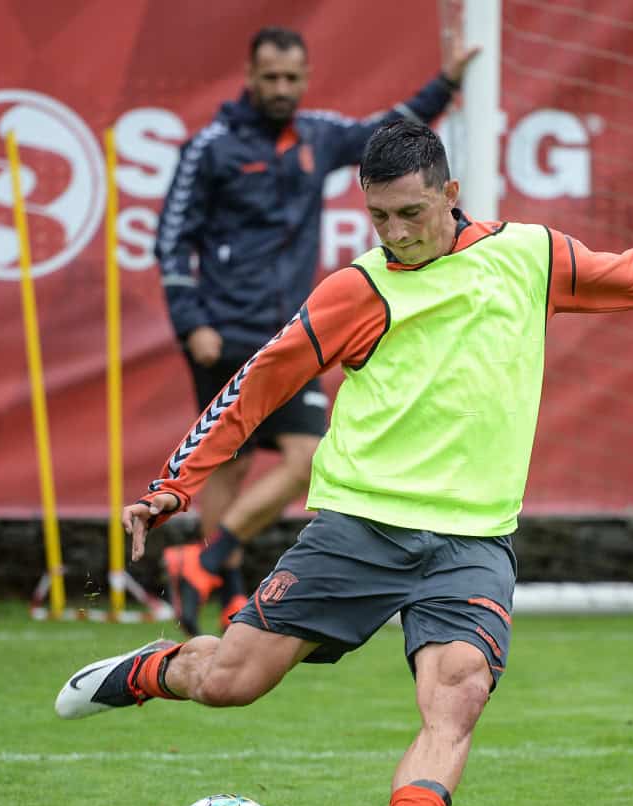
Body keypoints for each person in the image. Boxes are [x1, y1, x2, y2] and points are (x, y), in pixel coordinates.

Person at [58, 121, 633, 806]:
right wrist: (172, 487)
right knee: (230, 682)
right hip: (358, 527)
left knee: (456, 694)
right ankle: (148, 670)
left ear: (451, 194)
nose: (396, 234)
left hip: (472, 541)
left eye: (412, 214)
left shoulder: (531, 257)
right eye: (380, 217)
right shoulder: (356, 289)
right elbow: (257, 383)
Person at [153, 25, 478, 637]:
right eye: (270, 77)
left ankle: (204, 558)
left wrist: (449, 81)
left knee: (307, 459)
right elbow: (170, 243)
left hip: (287, 333)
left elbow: (392, 129)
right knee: (229, 462)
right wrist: (191, 323)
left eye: (292, 78)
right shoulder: (210, 147)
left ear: (304, 79)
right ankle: (225, 587)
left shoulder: (318, 135)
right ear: (249, 76)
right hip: (220, 335)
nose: (282, 88)